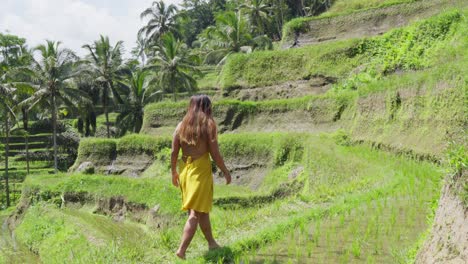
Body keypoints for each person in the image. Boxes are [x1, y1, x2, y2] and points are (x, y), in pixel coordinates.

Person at [171, 94, 232, 259]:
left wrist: (174, 173)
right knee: (194, 213)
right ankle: (181, 250)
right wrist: (225, 171)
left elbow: (174, 152)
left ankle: (211, 243)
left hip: (185, 170)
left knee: (202, 210)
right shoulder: (208, 124)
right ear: (206, 107)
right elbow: (215, 153)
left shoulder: (180, 126)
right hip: (199, 172)